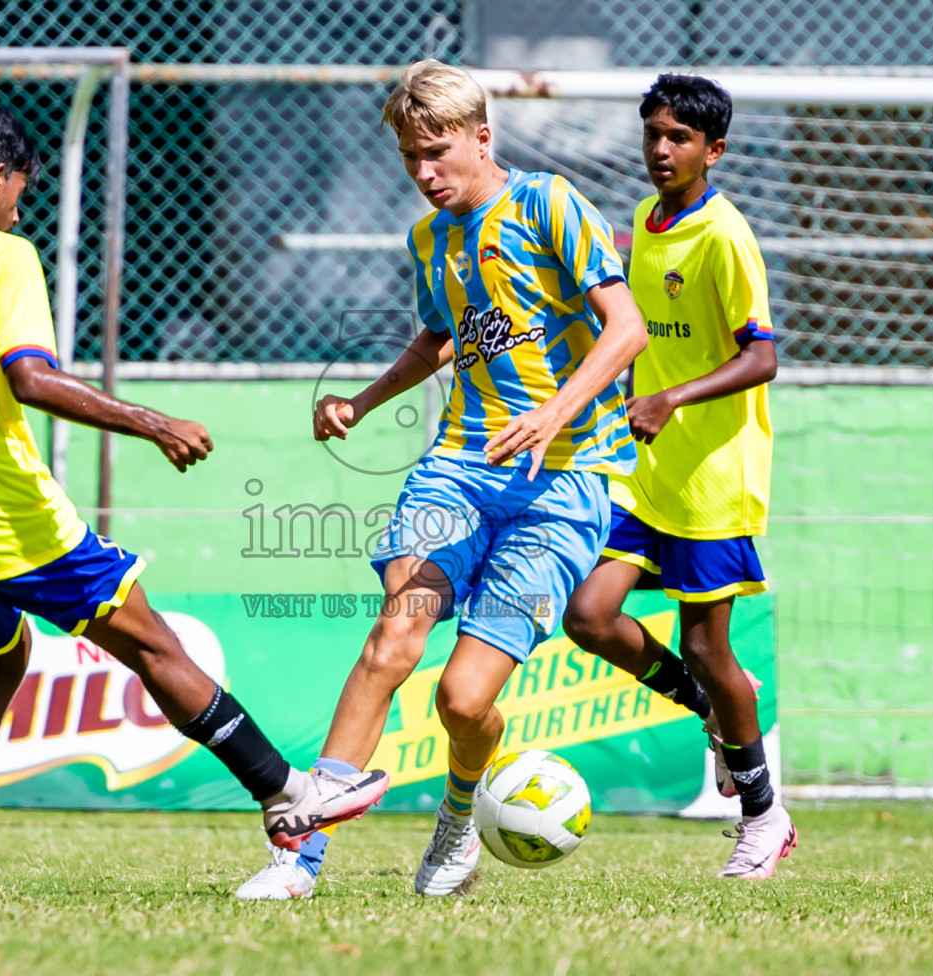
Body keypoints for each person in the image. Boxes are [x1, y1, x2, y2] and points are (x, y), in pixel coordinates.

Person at [0, 98, 388, 902]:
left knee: (0, 658)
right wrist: (151, 422)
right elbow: (30, 376)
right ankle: (288, 794)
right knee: (148, 639)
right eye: (16, 192)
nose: (19, 207)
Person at [235, 60, 649, 900]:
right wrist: (361, 398)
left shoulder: (549, 205)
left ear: (481, 137)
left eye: (437, 152)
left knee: (464, 702)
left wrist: (555, 413)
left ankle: (459, 819)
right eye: (409, 157)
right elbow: (438, 340)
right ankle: (298, 858)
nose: (424, 173)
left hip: (564, 485)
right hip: (457, 470)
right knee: (395, 635)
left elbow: (628, 327)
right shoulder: (431, 239)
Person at [560, 74, 795, 879]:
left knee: (704, 641)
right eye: (654, 133)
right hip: (647, 466)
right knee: (589, 615)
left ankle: (764, 816)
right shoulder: (645, 221)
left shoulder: (725, 234)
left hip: (713, 474)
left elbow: (761, 355)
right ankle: (715, 713)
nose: (661, 150)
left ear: (713, 150)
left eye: (680, 139)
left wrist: (671, 396)